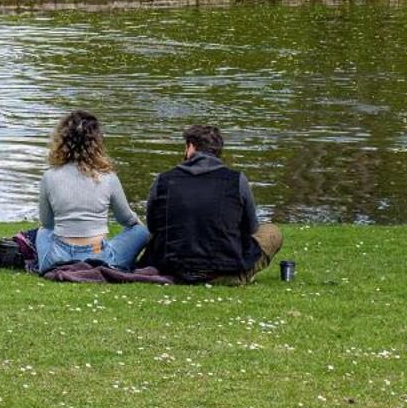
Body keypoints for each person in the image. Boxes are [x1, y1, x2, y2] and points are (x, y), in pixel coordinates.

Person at [142, 124, 283, 285]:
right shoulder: (236, 180)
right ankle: (235, 277)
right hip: (222, 266)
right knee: (272, 232)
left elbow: (152, 226)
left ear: (191, 147)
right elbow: (251, 228)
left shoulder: (163, 180)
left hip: (171, 266)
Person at [35, 110, 148, 274]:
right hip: (99, 256)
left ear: (61, 140)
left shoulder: (49, 176)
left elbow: (47, 223)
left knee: (43, 232)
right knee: (140, 231)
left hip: (57, 258)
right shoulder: (108, 177)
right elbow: (127, 220)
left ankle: (51, 260)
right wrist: (139, 223)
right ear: (97, 142)